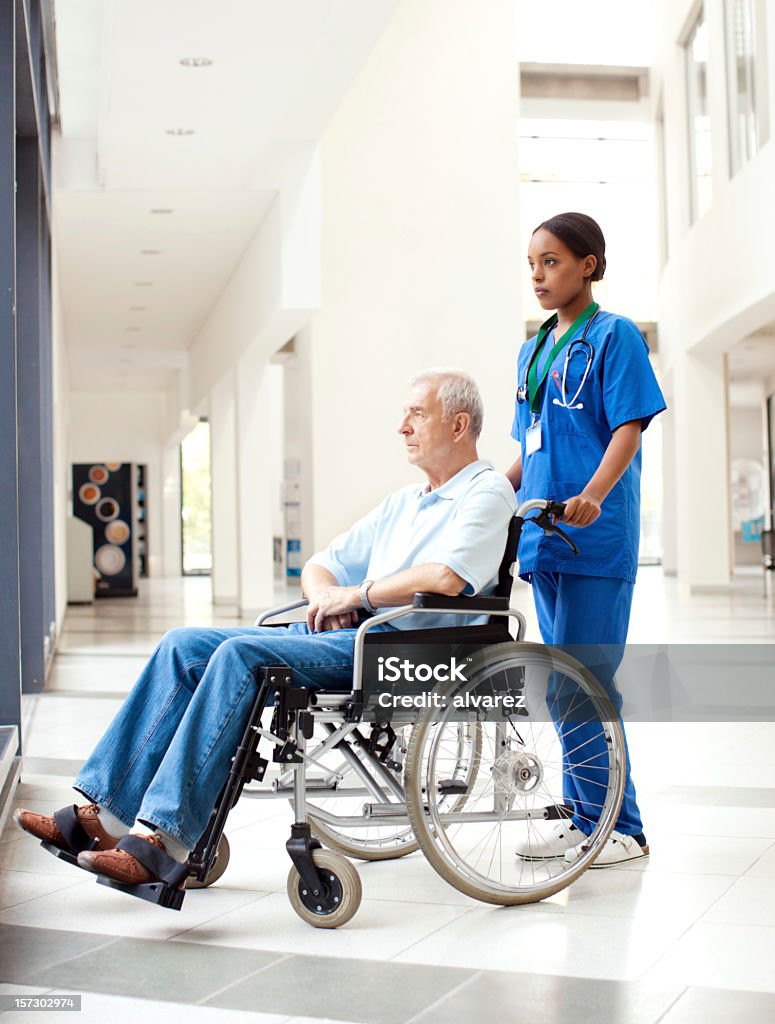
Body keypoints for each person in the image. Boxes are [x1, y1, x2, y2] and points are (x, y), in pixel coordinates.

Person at [15, 368, 516, 889]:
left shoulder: (485, 493)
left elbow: (448, 577)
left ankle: (161, 841)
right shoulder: (405, 502)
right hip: (354, 637)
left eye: (416, 413)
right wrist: (327, 594)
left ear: (459, 426)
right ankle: (103, 814)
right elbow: (322, 563)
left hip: (408, 647)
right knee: (183, 645)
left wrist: (358, 594)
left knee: (240, 656)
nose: (402, 427)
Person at [507, 212, 666, 868]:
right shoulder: (534, 347)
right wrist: (491, 498)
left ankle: (618, 828)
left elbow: (626, 427)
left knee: (585, 682)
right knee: (563, 683)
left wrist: (594, 495)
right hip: (542, 535)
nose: (538, 277)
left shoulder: (614, 336)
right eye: (532, 266)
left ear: (587, 265)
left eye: (550, 262)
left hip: (591, 537)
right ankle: (583, 817)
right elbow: (526, 444)